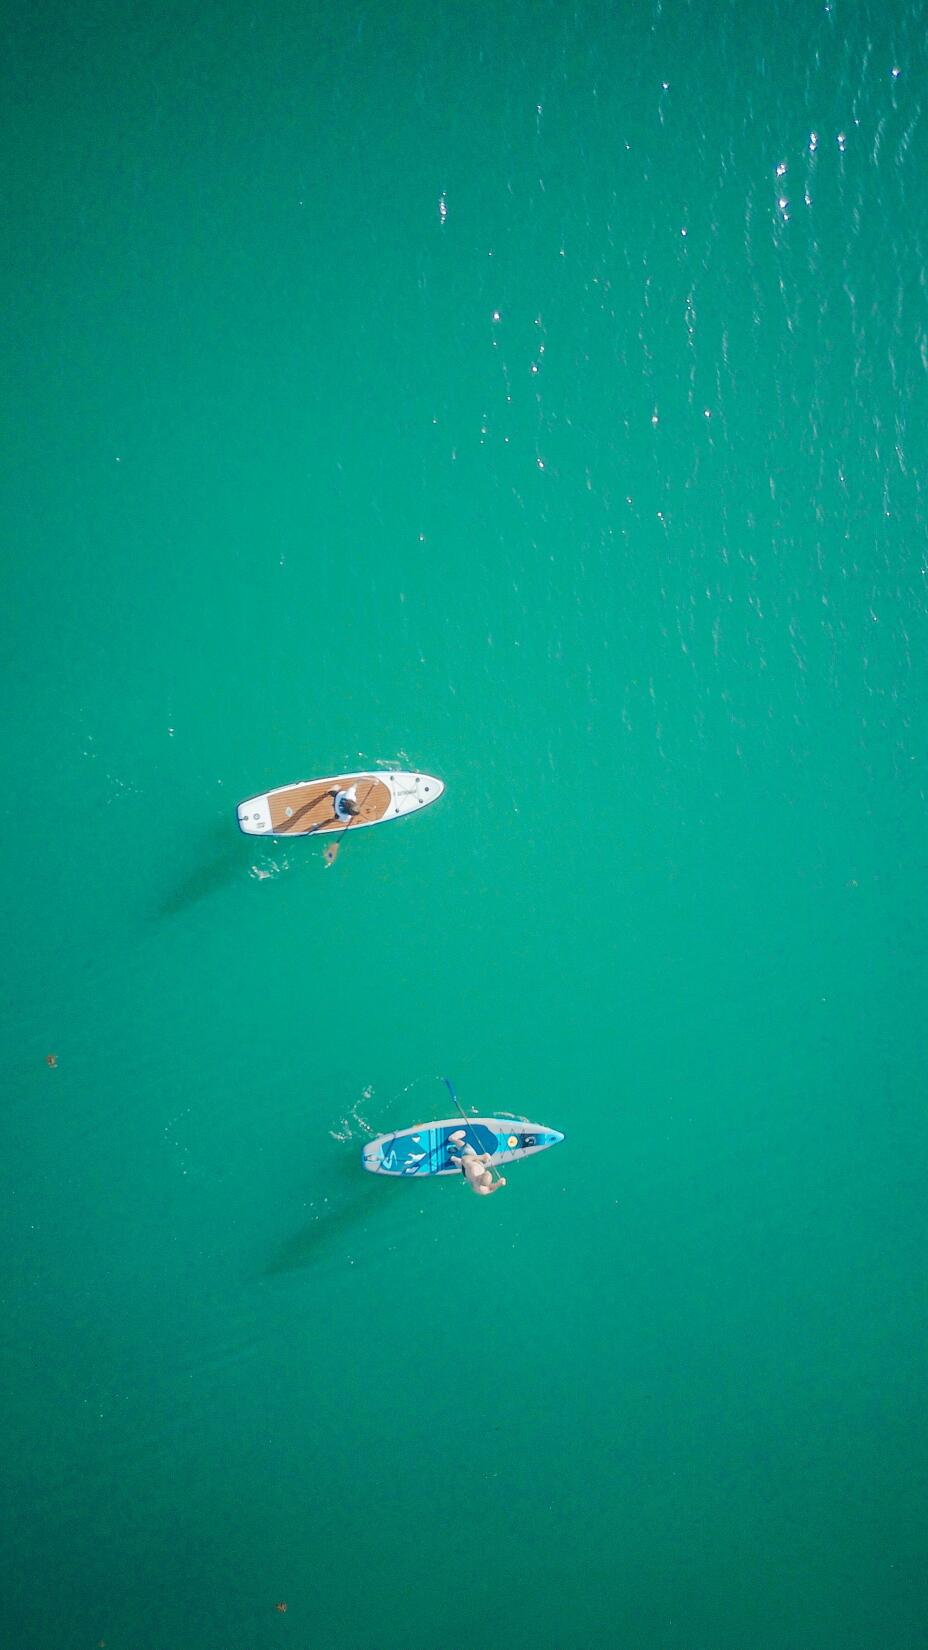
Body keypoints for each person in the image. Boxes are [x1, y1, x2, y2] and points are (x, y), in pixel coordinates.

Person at [449, 1132, 506, 1196]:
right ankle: (453, 1159)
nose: (486, 1170)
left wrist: (482, 1157)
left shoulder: (474, 1170)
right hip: (466, 1174)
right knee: (464, 1166)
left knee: (466, 1148)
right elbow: (490, 1189)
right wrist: (498, 1184)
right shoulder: (480, 1189)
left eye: (485, 1172)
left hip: (468, 1163)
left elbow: (464, 1159)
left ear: (481, 1176)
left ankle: (452, 1139)